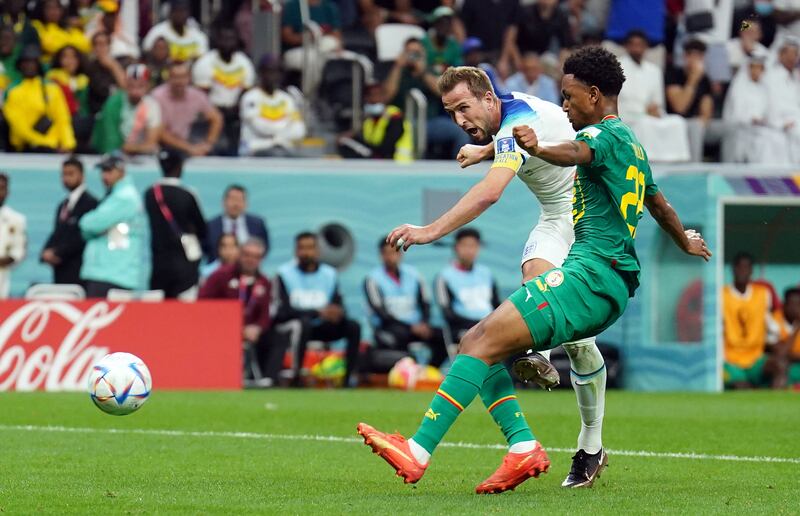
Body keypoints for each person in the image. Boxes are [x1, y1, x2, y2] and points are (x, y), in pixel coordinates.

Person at [357, 48, 710, 494]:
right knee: (486, 339)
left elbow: (554, 157)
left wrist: (430, 229)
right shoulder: (611, 138)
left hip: (591, 262)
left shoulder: (597, 137)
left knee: (495, 334)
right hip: (579, 244)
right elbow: (655, 200)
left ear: (488, 98)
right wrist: (685, 241)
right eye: (451, 112)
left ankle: (521, 389)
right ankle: (529, 441)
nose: (563, 105)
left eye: (464, 107)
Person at [273, 232, 361, 387]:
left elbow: (338, 304)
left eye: (311, 248)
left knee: (353, 326)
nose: (307, 253)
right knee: (303, 324)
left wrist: (337, 312)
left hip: (322, 325)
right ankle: (296, 377)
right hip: (295, 326)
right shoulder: (284, 274)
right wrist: (316, 312)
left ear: (318, 251)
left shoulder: (329, 274)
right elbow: (282, 312)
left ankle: (347, 380)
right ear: (296, 251)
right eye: (302, 248)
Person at [199, 238, 280, 384]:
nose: (251, 260)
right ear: (240, 255)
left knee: (277, 335)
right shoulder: (220, 276)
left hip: (251, 331)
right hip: (222, 330)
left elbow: (265, 315)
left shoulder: (264, 282)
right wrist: (237, 329)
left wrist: (257, 328)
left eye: (256, 257)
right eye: (247, 255)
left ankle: (269, 379)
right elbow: (203, 305)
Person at [364, 238, 449, 368]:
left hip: (416, 327)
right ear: (381, 255)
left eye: (394, 252)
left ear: (400, 254)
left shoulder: (414, 274)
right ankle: (407, 373)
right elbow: (382, 313)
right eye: (386, 253)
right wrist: (410, 327)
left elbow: (425, 302)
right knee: (399, 336)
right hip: (390, 327)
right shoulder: (372, 279)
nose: (390, 257)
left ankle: (429, 371)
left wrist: (424, 323)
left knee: (443, 335)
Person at [383, 37, 468, 159]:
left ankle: (460, 169)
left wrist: (422, 72)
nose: (413, 56)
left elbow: (442, 92)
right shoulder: (397, 71)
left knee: (460, 133)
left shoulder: (430, 70)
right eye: (410, 52)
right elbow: (386, 95)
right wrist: (397, 66)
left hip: (429, 122)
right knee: (410, 138)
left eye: (417, 53)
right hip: (403, 123)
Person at [143, 149, 207, 300]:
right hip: (185, 265)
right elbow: (202, 229)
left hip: (159, 264)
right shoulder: (188, 194)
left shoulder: (150, 194)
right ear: (180, 167)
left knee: (159, 313)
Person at [618, 29, 690, 162]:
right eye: (633, 44)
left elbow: (658, 102)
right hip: (627, 117)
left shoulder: (654, 71)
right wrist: (642, 112)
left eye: (640, 44)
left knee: (678, 122)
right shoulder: (617, 67)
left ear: (646, 47)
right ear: (627, 46)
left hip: (649, 116)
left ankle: (678, 163)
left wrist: (655, 110)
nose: (636, 48)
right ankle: (645, 163)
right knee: (644, 124)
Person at [79, 155, 145, 298]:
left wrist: (92, 227)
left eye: (109, 171)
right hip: (108, 273)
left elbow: (89, 224)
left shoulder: (125, 197)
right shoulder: (115, 196)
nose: (104, 176)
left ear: (121, 171)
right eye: (102, 171)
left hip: (112, 273)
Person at [192, 26, 255, 156]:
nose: (227, 43)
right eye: (223, 39)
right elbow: (202, 96)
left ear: (237, 41)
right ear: (217, 41)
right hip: (210, 114)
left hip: (236, 114)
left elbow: (247, 93)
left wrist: (235, 108)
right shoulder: (205, 62)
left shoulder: (244, 63)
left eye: (231, 39)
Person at [3, 44, 75, 153]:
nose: (29, 66)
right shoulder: (12, 90)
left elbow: (62, 118)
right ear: (20, 65)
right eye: (26, 62)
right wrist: (44, 142)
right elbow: (19, 127)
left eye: (33, 62)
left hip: (53, 147)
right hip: (23, 148)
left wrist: (68, 144)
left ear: (38, 64)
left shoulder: (52, 87)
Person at [722, 51, 788, 163]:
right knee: (764, 141)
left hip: (761, 128)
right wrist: (751, 119)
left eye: (760, 68)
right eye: (754, 68)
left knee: (778, 138)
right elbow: (735, 114)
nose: (756, 71)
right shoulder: (739, 86)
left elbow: (771, 112)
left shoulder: (764, 89)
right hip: (741, 129)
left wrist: (780, 123)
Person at [40, 156, 98, 285]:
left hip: (79, 268)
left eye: (71, 174)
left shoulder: (90, 203)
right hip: (60, 269)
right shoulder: (63, 205)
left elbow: (82, 236)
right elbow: (57, 232)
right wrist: (46, 252)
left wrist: (58, 253)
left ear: (82, 175)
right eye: (64, 174)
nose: (66, 178)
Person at [435, 228, 500, 341]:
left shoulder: (487, 274)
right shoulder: (444, 276)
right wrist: (479, 324)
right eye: (465, 245)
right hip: (463, 329)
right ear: (456, 248)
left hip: (490, 326)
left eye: (473, 246)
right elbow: (448, 313)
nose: (469, 250)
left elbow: (496, 304)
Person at [722, 252, 775, 389]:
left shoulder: (763, 294)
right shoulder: (721, 295)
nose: (742, 271)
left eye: (746, 267)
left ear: (752, 271)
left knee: (779, 366)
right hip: (730, 360)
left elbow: (772, 327)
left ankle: (776, 405)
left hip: (755, 359)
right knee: (742, 386)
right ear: (732, 269)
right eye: (739, 267)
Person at [238, 55, 306, 157]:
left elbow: (299, 130)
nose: (273, 76)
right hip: (256, 149)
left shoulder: (286, 99)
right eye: (269, 71)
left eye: (277, 72)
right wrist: (283, 131)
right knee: (275, 154)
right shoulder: (250, 97)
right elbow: (260, 127)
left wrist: (277, 139)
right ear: (261, 73)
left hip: (282, 148)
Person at [151, 60, 222, 157]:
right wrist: (190, 148)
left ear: (189, 78)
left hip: (186, 143)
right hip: (161, 146)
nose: (179, 81)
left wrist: (208, 144)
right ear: (169, 78)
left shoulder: (197, 95)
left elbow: (216, 118)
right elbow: (159, 132)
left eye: (183, 77)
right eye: (175, 77)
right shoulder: (157, 96)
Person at [91, 64, 162, 156]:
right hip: (114, 152)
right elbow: (110, 139)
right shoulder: (114, 102)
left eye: (140, 86)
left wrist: (132, 148)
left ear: (148, 85)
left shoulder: (152, 105)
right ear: (125, 84)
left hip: (141, 155)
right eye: (132, 85)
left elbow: (151, 143)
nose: (135, 91)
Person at [337, 82, 413, 161]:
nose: (373, 99)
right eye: (369, 96)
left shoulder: (394, 116)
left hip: (399, 164)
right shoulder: (368, 121)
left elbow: (387, 147)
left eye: (377, 95)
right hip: (379, 164)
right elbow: (368, 143)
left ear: (384, 97)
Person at [665, 39, 714, 162]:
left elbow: (706, 113)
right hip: (675, 123)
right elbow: (680, 107)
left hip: (698, 124)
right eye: (693, 55)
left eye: (700, 56)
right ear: (685, 56)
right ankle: (695, 169)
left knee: (730, 128)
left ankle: (729, 170)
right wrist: (693, 79)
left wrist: (703, 120)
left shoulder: (705, 79)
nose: (696, 59)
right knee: (695, 126)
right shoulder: (674, 74)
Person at [204, 185, 269, 262]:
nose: (236, 204)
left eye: (239, 200)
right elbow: (206, 250)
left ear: (246, 203)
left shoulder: (257, 224)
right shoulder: (210, 226)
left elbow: (264, 247)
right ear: (223, 202)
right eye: (232, 199)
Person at [765, 38, 800, 163]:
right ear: (780, 55)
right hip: (781, 123)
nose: (792, 58)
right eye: (788, 54)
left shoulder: (795, 77)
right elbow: (771, 103)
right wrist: (780, 123)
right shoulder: (772, 76)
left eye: (795, 54)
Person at [142, 0, 208, 62]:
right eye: (176, 11)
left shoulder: (198, 35)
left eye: (183, 11)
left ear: (188, 13)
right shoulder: (157, 32)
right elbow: (146, 52)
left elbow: (203, 59)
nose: (179, 15)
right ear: (170, 12)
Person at [0, 173, 26, 299]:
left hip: (3, 278)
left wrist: (7, 260)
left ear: (7, 191)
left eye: (2, 188)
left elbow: (19, 251)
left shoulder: (16, 219)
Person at [768, 288, 800, 388]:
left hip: (796, 363)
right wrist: (797, 327)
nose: (796, 309)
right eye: (793, 304)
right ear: (784, 305)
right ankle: (776, 400)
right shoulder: (773, 321)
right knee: (781, 364)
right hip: (779, 365)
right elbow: (781, 353)